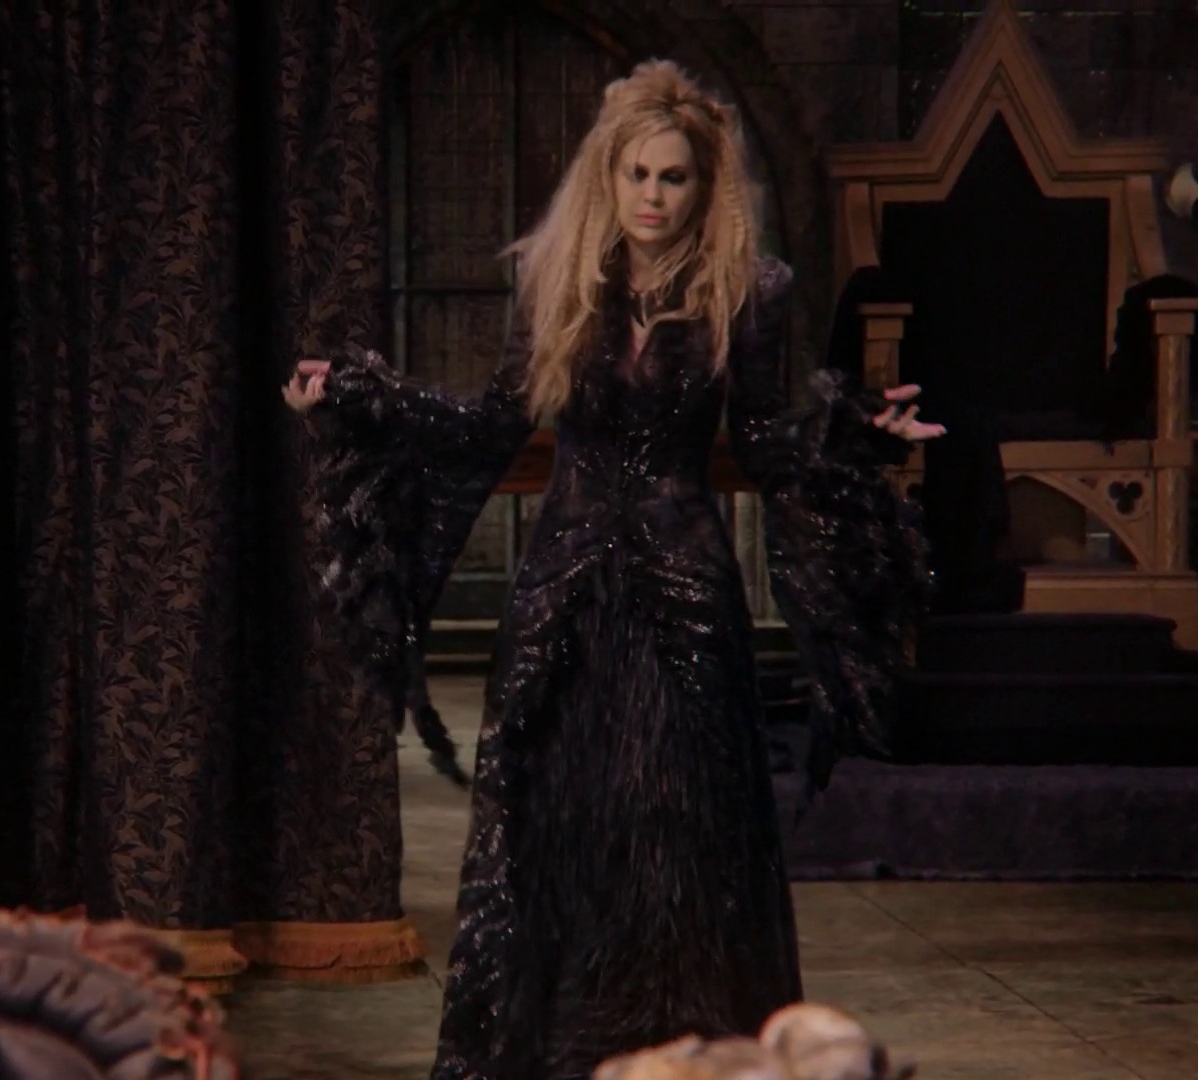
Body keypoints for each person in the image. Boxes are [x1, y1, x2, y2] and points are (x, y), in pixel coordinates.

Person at [284, 61, 943, 1079]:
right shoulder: (556, 280)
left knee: (687, 832)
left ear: (704, 184)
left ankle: (699, 1056)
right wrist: (359, 397)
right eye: (636, 173)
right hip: (564, 593)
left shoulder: (749, 290)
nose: (652, 196)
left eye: (673, 177)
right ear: (608, 174)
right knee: (555, 829)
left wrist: (862, 432)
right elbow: (491, 423)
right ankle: (559, 1056)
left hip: (686, 594)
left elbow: (765, 443)